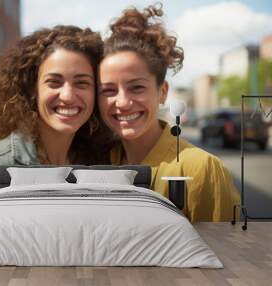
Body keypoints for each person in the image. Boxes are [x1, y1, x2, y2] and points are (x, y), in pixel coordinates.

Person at [0, 25, 111, 219]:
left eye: (82, 83)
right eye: (54, 82)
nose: (68, 95)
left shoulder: (100, 159)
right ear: (32, 90)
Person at [97, 4, 239, 222]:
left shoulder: (200, 168)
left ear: (162, 92)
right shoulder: (98, 163)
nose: (123, 102)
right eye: (108, 90)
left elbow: (230, 251)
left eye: (137, 87)